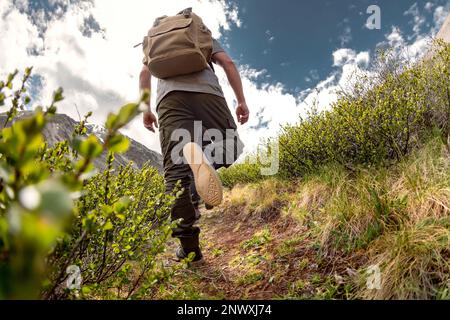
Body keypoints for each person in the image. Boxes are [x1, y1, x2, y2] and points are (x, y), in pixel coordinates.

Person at [139, 16, 249, 262]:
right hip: (208, 94)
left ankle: (189, 249)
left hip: (170, 100)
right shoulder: (198, 31)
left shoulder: (153, 40)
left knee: (176, 176)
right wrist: (241, 101)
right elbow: (227, 63)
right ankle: (205, 162)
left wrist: (146, 108)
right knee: (230, 147)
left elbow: (145, 74)